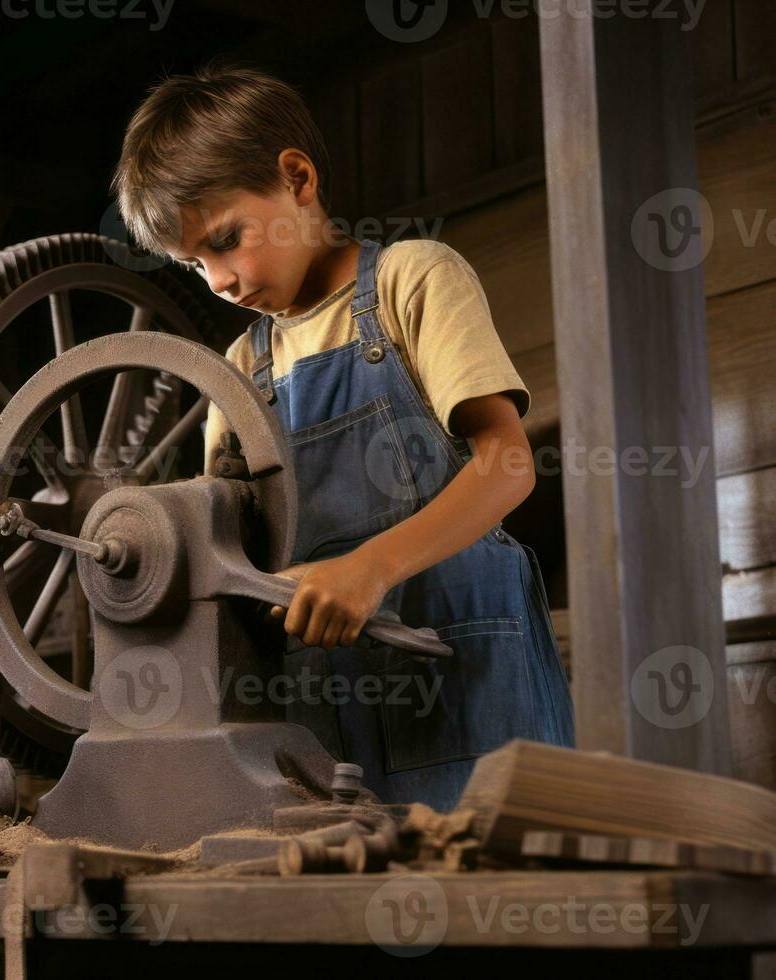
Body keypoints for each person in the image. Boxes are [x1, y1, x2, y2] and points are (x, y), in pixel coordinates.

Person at [112, 63, 575, 811]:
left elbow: (509, 463)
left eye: (226, 241)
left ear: (296, 178)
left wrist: (370, 568)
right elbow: (229, 562)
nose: (219, 282)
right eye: (193, 264)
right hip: (326, 721)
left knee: (494, 900)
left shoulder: (409, 281)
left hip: (469, 680)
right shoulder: (237, 374)